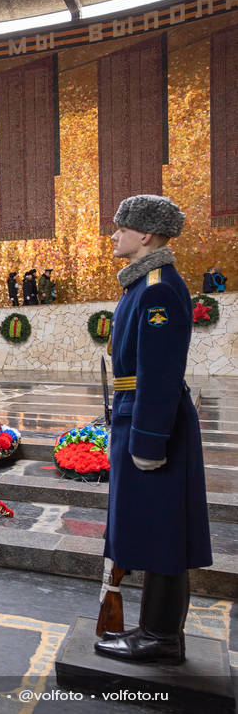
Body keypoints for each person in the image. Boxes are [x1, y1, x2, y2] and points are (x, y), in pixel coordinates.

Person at [93, 195, 212, 664]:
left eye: (122, 227)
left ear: (146, 235)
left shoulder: (158, 289)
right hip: (134, 414)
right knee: (152, 528)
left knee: (164, 532)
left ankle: (160, 638)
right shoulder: (141, 286)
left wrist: (147, 441)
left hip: (150, 423)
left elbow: (160, 374)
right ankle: (155, 632)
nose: (114, 234)